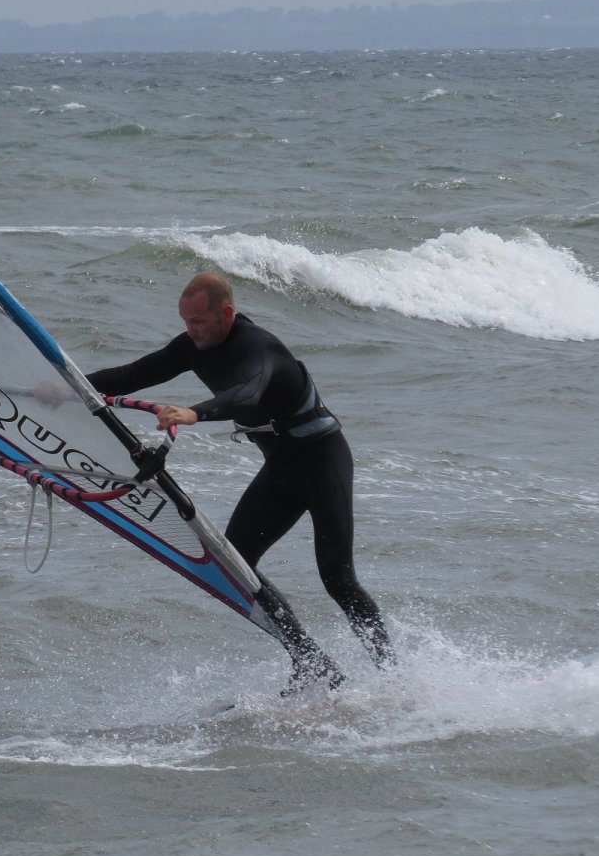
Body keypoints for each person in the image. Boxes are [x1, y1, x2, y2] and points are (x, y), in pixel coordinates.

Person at [87, 272, 393, 695]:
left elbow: (248, 393)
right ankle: (312, 662)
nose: (191, 331)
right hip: (282, 468)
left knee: (337, 577)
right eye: (186, 321)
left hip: (323, 461)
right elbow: (132, 374)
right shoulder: (193, 346)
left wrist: (196, 412)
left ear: (225, 314)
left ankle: (393, 675)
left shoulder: (258, 348)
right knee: (238, 565)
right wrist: (66, 387)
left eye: (198, 321)